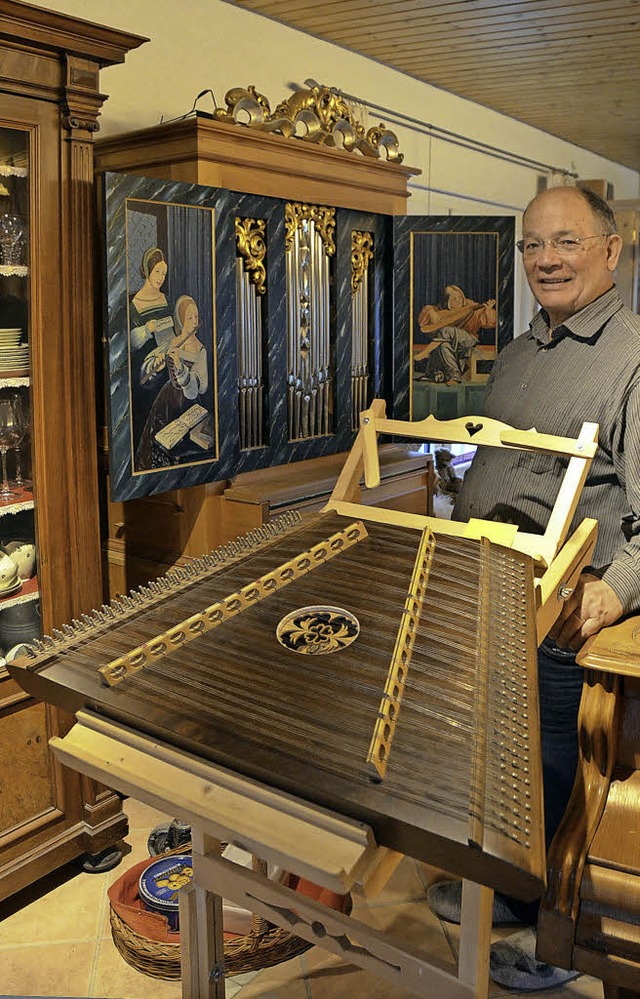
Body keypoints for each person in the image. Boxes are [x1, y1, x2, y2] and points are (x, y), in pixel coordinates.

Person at [427, 185, 639, 991]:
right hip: (489, 590)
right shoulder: (517, 352)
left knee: (556, 765)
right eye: (531, 246)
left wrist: (614, 590)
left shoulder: (633, 357)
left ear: (611, 250)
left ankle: (556, 934)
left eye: (566, 243)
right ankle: (514, 894)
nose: (545, 260)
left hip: (564, 611)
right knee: (502, 758)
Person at [135, 294, 209, 470]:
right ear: (181, 319)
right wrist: (156, 364)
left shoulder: (200, 350)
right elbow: (144, 375)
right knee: (155, 439)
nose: (193, 321)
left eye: (196, 317)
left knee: (177, 446)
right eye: (189, 317)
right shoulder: (172, 341)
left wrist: (181, 368)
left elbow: (200, 388)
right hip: (166, 400)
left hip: (188, 404)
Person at [415, 285, 496, 383]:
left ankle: (427, 352)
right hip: (451, 342)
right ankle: (455, 377)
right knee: (443, 346)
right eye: (454, 298)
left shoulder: (471, 306)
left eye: (460, 297)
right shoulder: (444, 311)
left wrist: (488, 309)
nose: (458, 300)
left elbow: (489, 323)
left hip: (469, 339)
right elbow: (424, 322)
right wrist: (431, 311)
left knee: (445, 330)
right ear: (447, 302)